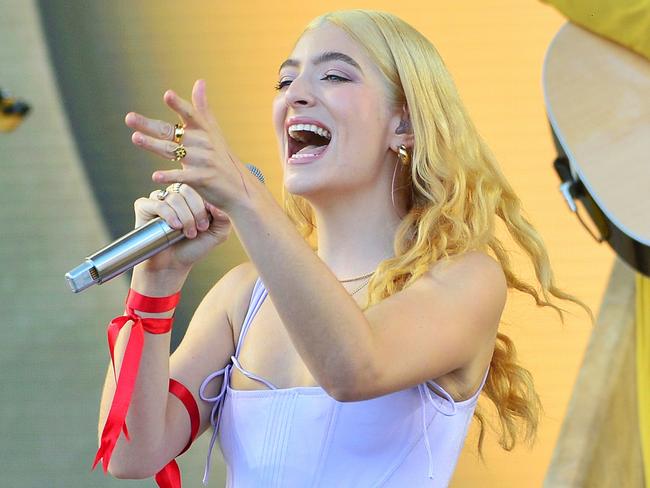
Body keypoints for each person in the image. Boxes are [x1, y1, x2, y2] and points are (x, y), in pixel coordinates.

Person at [95, 9, 591, 488]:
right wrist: (154, 283)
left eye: (334, 76)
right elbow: (130, 453)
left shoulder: (464, 281)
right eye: (285, 82)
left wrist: (245, 196)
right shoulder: (242, 297)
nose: (297, 96)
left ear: (405, 123)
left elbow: (353, 369)